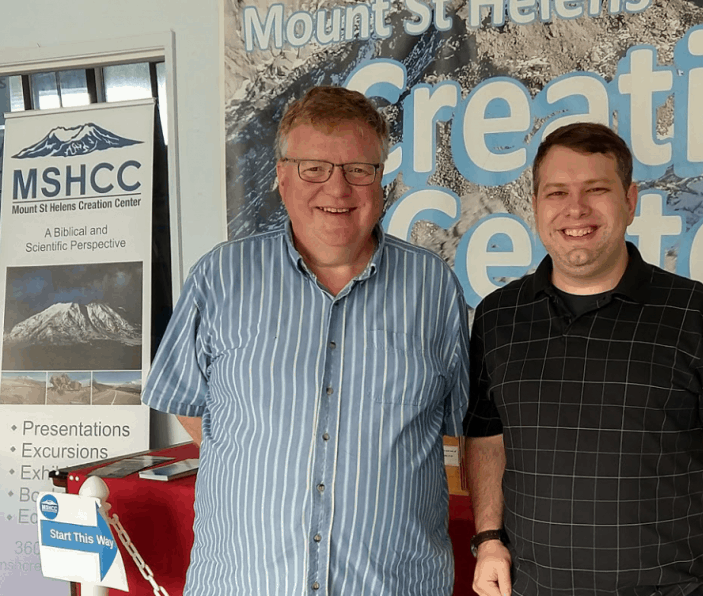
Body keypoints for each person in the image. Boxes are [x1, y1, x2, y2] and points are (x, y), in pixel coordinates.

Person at [143, 86, 469, 596]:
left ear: (380, 180)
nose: (337, 189)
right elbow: (189, 405)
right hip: (246, 583)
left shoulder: (434, 289)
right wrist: (270, 458)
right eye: (314, 167)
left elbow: (457, 428)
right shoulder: (220, 278)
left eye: (358, 169)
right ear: (281, 176)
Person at [463, 122, 703, 596]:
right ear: (534, 207)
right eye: (556, 192)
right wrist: (489, 538)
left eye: (597, 189)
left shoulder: (696, 315)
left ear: (630, 201)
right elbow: (487, 437)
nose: (575, 209)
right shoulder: (498, 317)